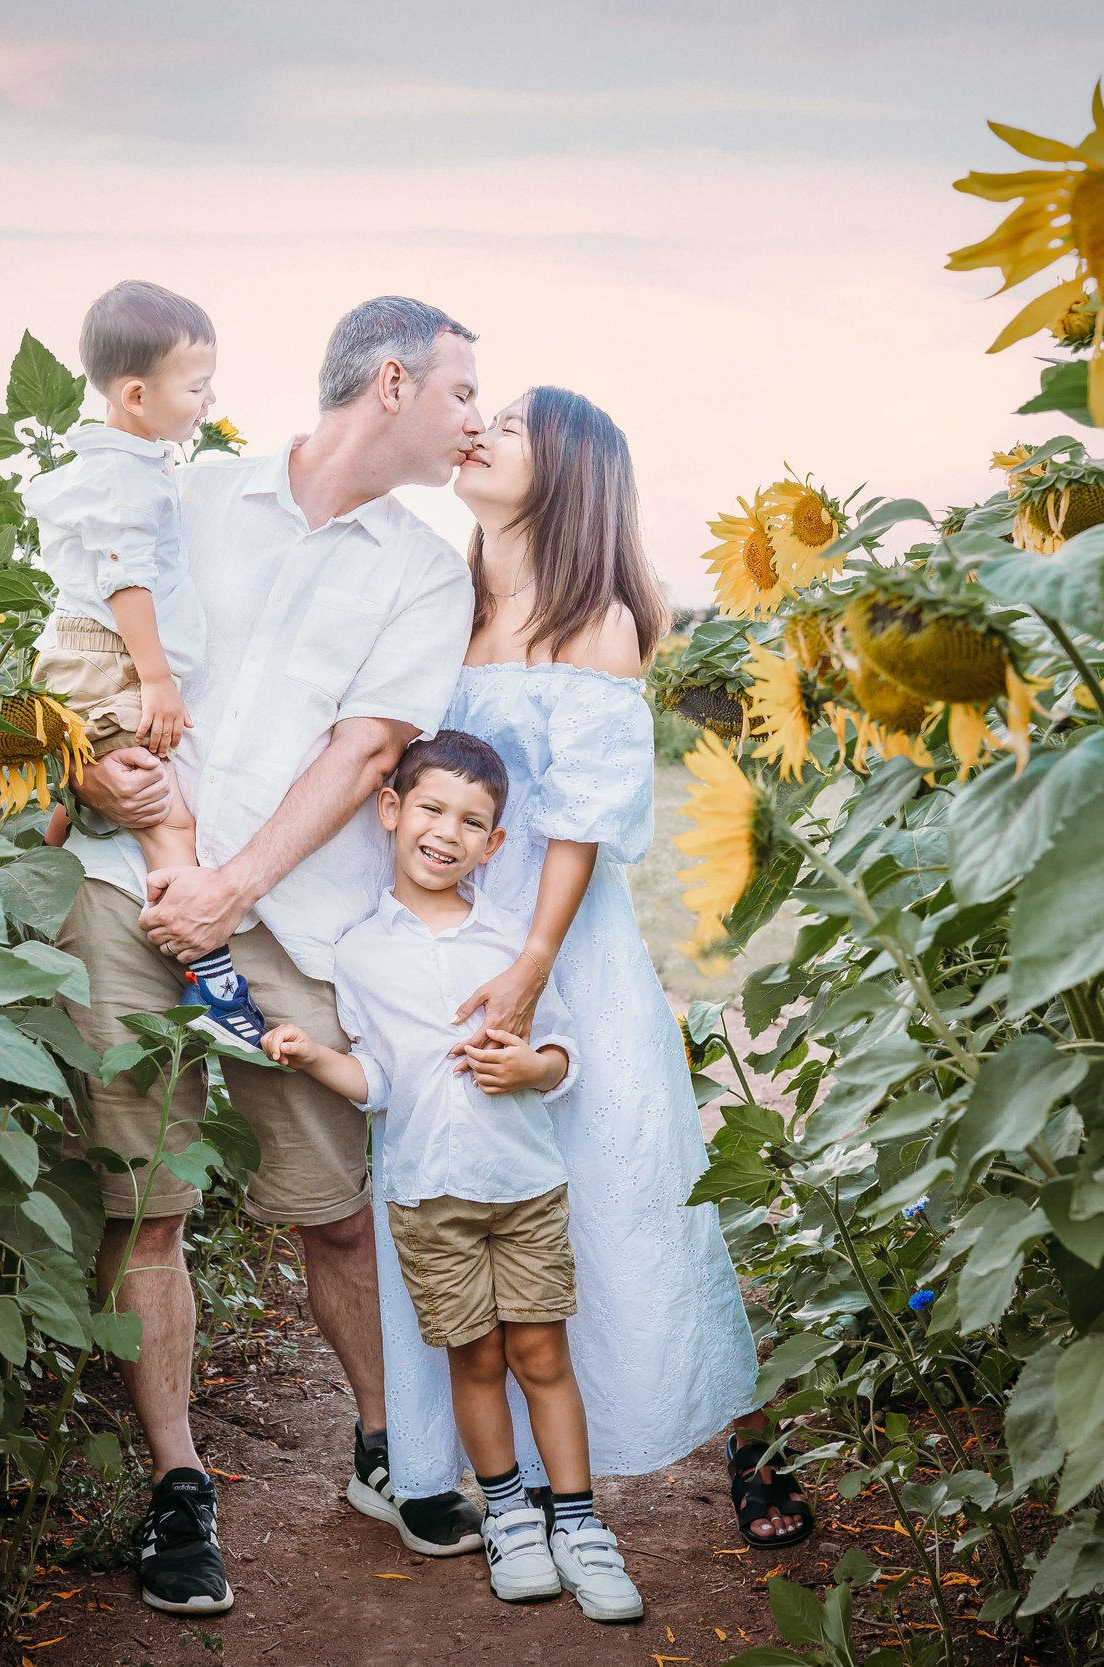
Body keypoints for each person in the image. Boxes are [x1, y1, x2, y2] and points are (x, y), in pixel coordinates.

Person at [55, 296, 487, 1615]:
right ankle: (181, 1483)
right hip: (124, 887)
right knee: (149, 1203)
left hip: (290, 913)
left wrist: (231, 883)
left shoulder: (425, 566)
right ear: (395, 382)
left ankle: (387, 1443)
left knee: (334, 1200)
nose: (475, 416)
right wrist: (96, 757)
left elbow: (366, 749)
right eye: (465, 389)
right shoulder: (192, 494)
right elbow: (78, 642)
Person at [372, 386, 784, 1546]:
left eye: (513, 426)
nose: (483, 431)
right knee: (454, 1174)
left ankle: (744, 1430)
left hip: (562, 937)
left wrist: (534, 960)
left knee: (623, 1180)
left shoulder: (595, 619)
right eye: (485, 413)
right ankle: (480, 1468)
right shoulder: (440, 604)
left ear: (566, 473)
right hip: (447, 928)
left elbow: (582, 819)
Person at [263, 731, 646, 1622]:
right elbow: (380, 1084)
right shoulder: (358, 955)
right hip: (431, 1197)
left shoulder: (511, 940)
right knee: (474, 1356)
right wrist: (316, 1054)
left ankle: (580, 1523)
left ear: (494, 845)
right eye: (431, 808)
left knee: (541, 1352)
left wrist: (534, 1068)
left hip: (524, 1186)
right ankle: (509, 1512)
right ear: (391, 811)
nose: (448, 831)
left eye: (472, 821)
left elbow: (562, 1050)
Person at [28, 280, 266, 1049]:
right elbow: (125, 580)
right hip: (112, 665)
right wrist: (158, 679)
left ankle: (32, 890)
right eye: (196, 388)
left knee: (97, 782)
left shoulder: (118, 467)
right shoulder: (127, 479)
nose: (207, 401)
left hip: (87, 665)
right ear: (137, 393)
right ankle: (211, 968)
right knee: (168, 813)